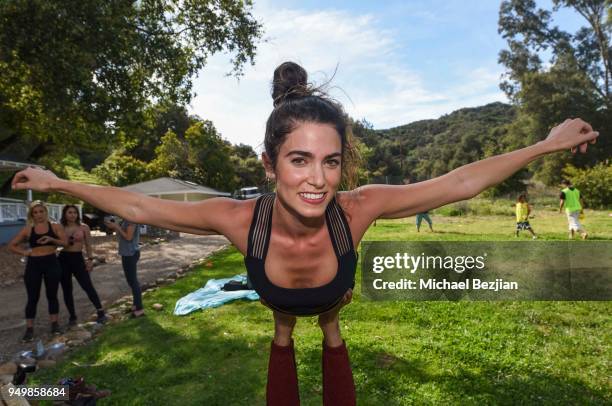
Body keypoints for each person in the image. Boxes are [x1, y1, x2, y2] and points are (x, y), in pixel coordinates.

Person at [11, 62, 599, 405]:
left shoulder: (358, 208)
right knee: (286, 334)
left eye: (331, 161)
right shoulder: (239, 220)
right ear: (269, 166)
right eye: (298, 160)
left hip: (332, 287)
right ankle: (293, 323)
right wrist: (63, 183)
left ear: (344, 163)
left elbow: (460, 181)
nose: (318, 181)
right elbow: (141, 202)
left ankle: (330, 320)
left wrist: (546, 144)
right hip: (280, 295)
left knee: (332, 328)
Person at [8, 201, 67, 342]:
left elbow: (65, 243)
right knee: (32, 297)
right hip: (34, 264)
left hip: (51, 262)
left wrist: (52, 239)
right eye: (35, 212)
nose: (39, 215)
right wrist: (25, 253)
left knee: (52, 295)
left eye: (41, 211)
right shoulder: (28, 229)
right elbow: (11, 245)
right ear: (32, 215)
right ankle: (29, 329)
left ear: (46, 212)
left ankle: (55, 324)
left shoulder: (56, 226)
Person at [58, 205, 107, 325]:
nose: (72, 215)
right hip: (63, 259)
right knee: (67, 289)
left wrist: (90, 260)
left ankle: (100, 311)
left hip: (78, 258)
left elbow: (88, 245)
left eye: (74, 212)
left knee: (87, 285)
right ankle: (72, 316)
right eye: (69, 212)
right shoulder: (60, 227)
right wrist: (70, 240)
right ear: (65, 214)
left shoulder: (84, 227)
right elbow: (58, 244)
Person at [104, 217, 144, 318]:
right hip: (127, 253)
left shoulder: (131, 220)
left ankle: (139, 309)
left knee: (133, 281)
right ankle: (136, 305)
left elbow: (128, 237)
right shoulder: (126, 219)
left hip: (130, 254)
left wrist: (116, 226)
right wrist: (113, 226)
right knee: (131, 281)